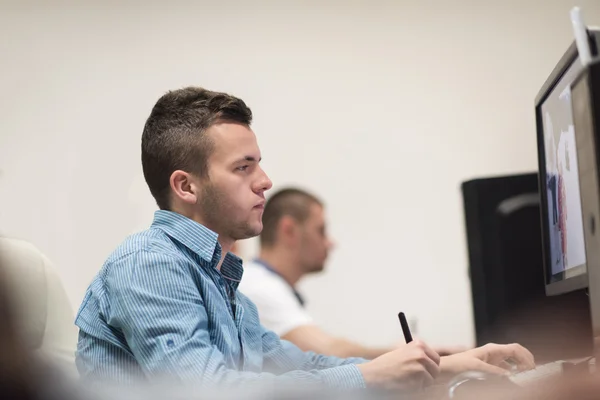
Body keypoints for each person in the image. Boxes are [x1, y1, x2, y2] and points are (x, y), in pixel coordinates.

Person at [74, 86, 535, 394]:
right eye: (243, 167)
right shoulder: (149, 263)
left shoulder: (225, 288)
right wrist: (373, 376)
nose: (265, 181)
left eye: (259, 164)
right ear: (186, 186)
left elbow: (305, 367)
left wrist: (453, 364)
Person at [238, 188, 466, 359]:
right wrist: (401, 355)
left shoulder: (266, 285)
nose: (330, 243)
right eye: (321, 230)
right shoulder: (260, 287)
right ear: (289, 230)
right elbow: (329, 352)